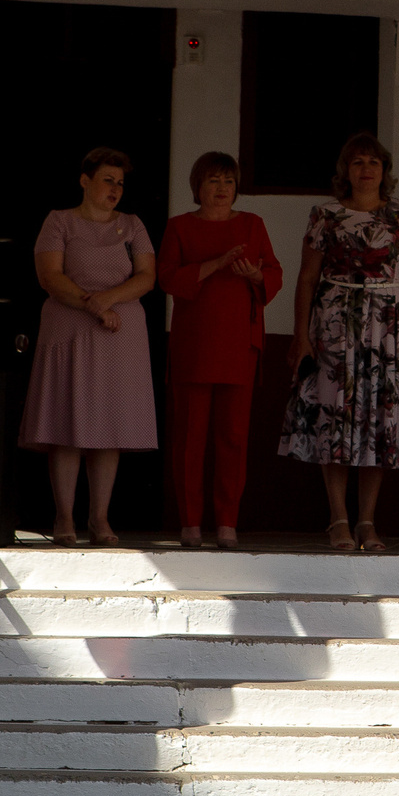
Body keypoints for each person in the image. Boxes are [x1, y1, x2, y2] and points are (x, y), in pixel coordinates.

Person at [284, 134, 399, 555]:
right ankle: (338, 519)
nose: (366, 169)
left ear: (384, 171)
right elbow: (307, 278)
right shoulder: (325, 215)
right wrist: (300, 335)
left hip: (391, 327)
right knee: (336, 417)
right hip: (336, 325)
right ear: (345, 171)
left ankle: (367, 520)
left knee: (379, 422)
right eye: (357, 162)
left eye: (374, 162)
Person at [25, 147, 159, 546]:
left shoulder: (133, 226)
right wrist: (92, 304)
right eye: (107, 180)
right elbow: (51, 276)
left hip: (120, 334)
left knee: (109, 426)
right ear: (85, 181)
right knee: (67, 423)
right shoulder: (59, 221)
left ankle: (100, 520)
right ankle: (64, 518)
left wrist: (108, 300)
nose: (115, 189)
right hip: (70, 327)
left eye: (120, 182)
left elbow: (147, 276)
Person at [159, 151, 282, 550]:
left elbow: (273, 273)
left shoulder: (252, 224)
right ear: (198, 186)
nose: (222, 189)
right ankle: (190, 523)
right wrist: (215, 264)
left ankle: (227, 522)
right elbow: (168, 279)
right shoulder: (179, 227)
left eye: (228, 181)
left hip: (238, 344)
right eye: (214, 181)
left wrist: (254, 275)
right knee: (190, 437)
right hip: (194, 344)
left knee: (233, 437)